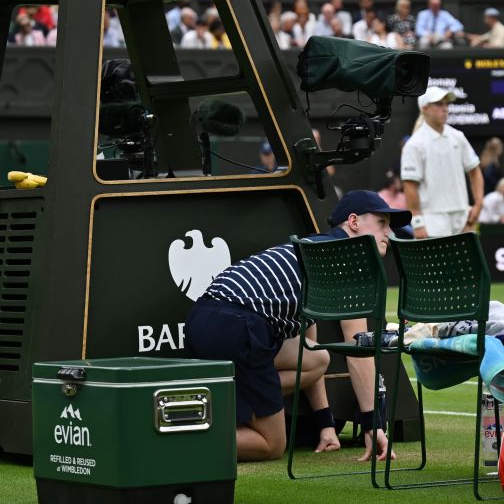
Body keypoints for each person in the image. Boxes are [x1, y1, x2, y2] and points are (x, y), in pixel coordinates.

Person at [185, 190, 408, 462]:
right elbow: (358, 348)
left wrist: (325, 424)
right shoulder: (348, 257)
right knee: (271, 445)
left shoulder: (313, 248)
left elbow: (306, 349)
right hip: (239, 326)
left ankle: (233, 400)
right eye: (382, 223)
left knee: (317, 358)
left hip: (204, 320)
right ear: (353, 222)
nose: (389, 233)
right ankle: (170, 443)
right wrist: (374, 425)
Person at [399, 86, 483, 238]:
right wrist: (417, 222)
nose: (445, 108)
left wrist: (478, 205)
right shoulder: (414, 144)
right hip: (431, 223)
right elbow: (409, 186)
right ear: (425, 109)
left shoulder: (458, 137)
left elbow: (475, 171)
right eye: (439, 104)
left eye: (446, 104)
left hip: (464, 221)